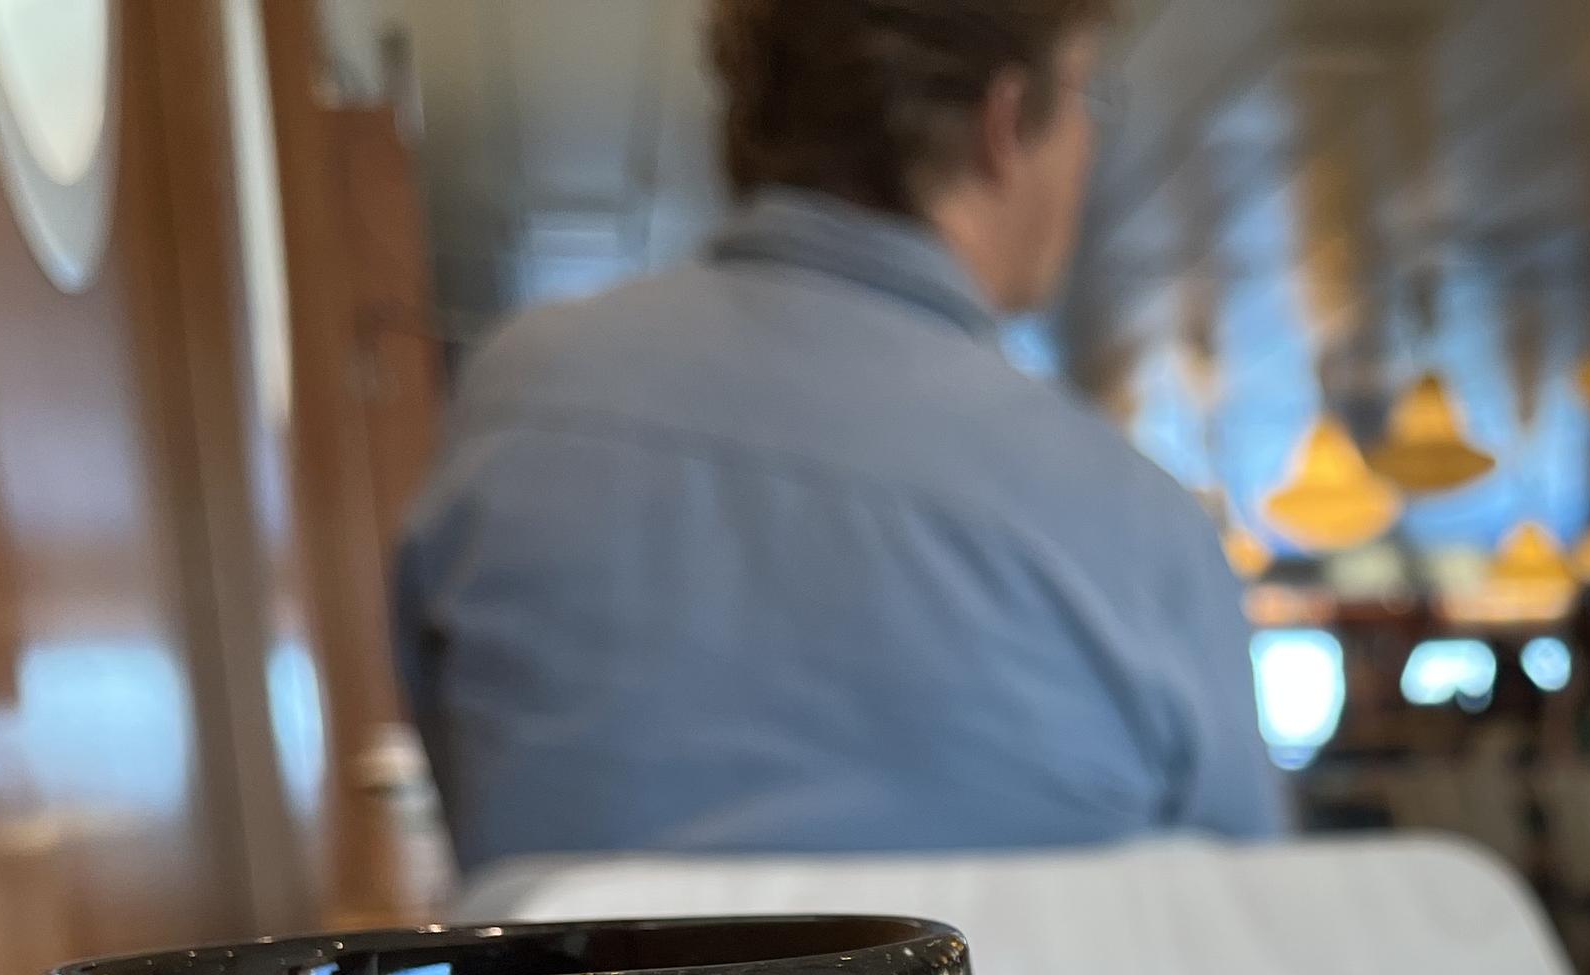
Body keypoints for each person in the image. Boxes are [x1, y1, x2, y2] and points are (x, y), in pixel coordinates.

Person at [394, 0, 1283, 867]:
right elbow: (1236, 942)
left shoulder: (519, 401)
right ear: (1003, 124)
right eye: (1087, 99)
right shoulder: (1141, 528)